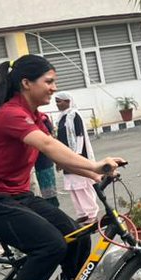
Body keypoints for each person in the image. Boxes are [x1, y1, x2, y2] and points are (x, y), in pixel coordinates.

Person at [0, 55, 125, 280]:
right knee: (51, 245)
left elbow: (56, 156)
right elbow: (48, 145)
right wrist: (94, 165)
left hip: (17, 197)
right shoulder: (10, 114)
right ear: (26, 83)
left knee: (77, 238)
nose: (54, 88)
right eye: (49, 82)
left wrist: (96, 174)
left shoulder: (36, 117)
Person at [54, 92, 99, 223]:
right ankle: (82, 213)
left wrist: (77, 154)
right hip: (66, 156)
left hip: (77, 155)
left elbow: (79, 136)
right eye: (56, 102)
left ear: (68, 101)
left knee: (82, 185)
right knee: (73, 186)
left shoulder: (74, 115)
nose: (57, 104)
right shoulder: (62, 117)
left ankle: (91, 213)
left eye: (60, 101)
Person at [33, 111, 60, 208]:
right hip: (33, 162)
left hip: (43, 160)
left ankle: (54, 210)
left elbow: (51, 141)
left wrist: (58, 160)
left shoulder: (42, 119)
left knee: (48, 192)